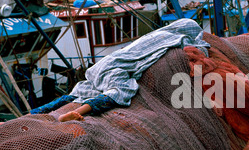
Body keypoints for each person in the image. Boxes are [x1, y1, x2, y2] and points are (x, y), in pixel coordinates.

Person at [29, 18, 210, 122]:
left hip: (101, 65)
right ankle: (79, 112)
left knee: (77, 92)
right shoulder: (180, 38)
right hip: (117, 68)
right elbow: (198, 49)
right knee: (121, 91)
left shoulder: (154, 35)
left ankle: (31, 114)